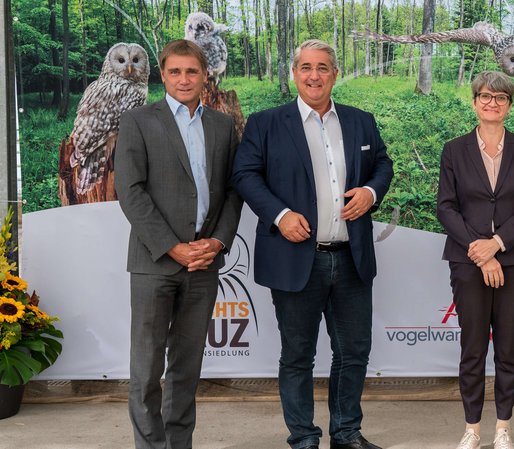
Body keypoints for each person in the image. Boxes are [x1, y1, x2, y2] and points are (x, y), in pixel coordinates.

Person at [231, 39, 393, 449]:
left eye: (323, 67)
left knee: (353, 352)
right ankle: (303, 437)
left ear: (335, 74)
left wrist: (371, 193)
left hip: (352, 258)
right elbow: (246, 175)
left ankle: (346, 433)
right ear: (294, 73)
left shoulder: (360, 121)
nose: (314, 75)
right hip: (295, 258)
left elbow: (383, 164)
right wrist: (281, 216)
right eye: (306, 67)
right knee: (298, 355)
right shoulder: (266, 123)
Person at [115, 39, 242, 449]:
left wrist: (218, 242)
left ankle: (179, 444)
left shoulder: (222, 126)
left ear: (205, 76)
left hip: (204, 264)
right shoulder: (137, 121)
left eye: (192, 72)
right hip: (155, 263)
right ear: (163, 75)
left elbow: (231, 192)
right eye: (175, 72)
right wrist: (173, 246)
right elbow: (130, 192)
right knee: (147, 368)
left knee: (187, 367)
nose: (184, 79)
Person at [436, 71, 514, 449]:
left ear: (509, 106)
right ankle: (472, 429)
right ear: (474, 102)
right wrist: (480, 253)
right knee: (473, 347)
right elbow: (446, 208)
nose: (491, 102)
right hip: (467, 262)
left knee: (509, 347)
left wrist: (496, 244)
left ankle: (502, 429)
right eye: (484, 96)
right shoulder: (454, 149)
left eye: (500, 97)